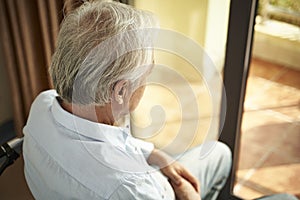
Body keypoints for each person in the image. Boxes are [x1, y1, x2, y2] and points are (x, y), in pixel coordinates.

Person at [23, 1, 231, 199]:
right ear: (121, 91)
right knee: (220, 154)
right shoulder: (132, 189)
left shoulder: (42, 105)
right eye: (147, 73)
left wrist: (153, 154)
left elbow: (109, 142)